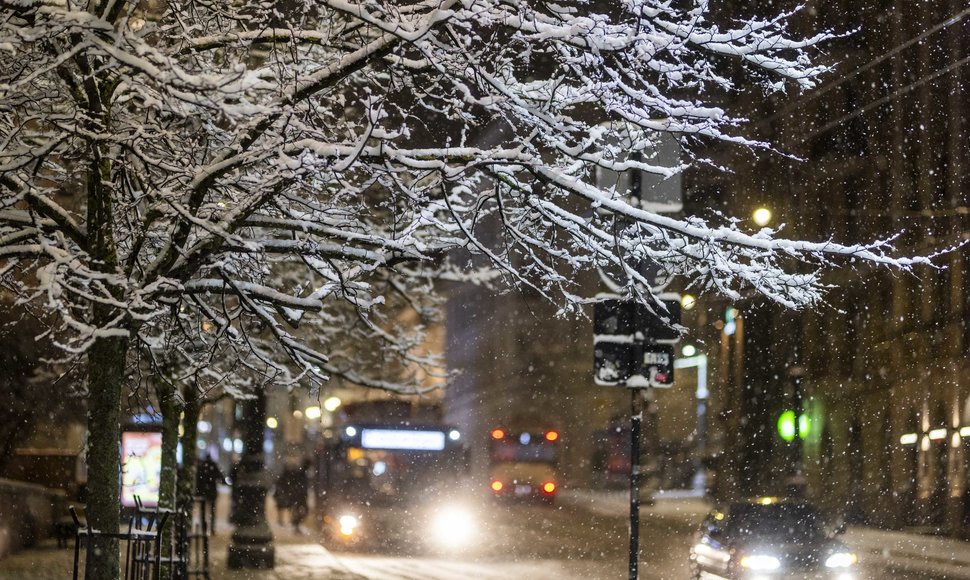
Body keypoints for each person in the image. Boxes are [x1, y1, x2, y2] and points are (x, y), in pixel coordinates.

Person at [196, 454, 225, 533]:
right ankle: (211, 527)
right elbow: (220, 476)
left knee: (204, 510)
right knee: (212, 511)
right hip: (211, 491)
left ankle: (204, 528)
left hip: (204, 491)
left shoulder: (202, 466)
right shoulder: (213, 466)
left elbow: (199, 480)